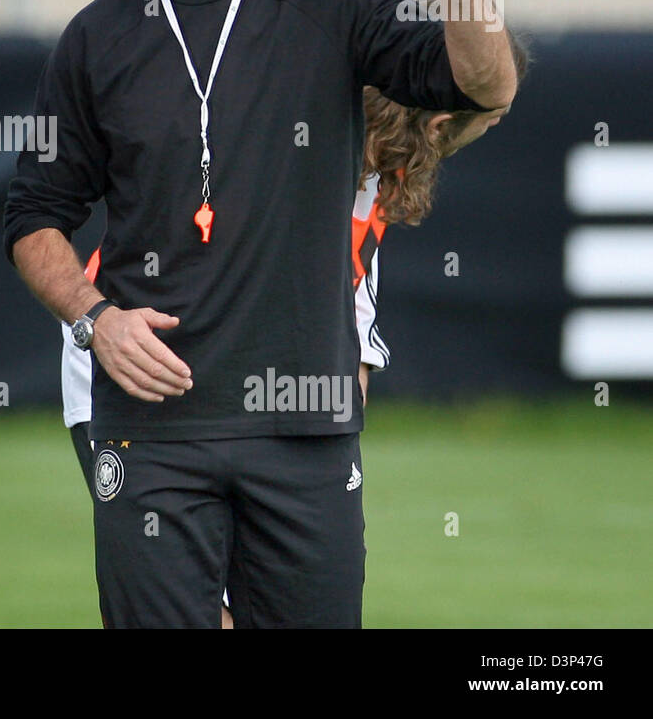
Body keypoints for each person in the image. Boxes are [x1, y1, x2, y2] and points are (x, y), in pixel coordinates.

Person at [3, 0, 518, 629]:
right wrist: (95, 319)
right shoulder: (94, 38)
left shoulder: (332, 2)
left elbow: (481, 83)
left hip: (304, 437)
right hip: (152, 432)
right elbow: (32, 217)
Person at [58, 73, 524, 627]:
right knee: (195, 606)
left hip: (268, 397)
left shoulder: (389, 166)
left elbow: (353, 276)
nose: (499, 122)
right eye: (494, 112)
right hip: (137, 369)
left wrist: (354, 363)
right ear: (443, 121)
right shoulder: (286, 143)